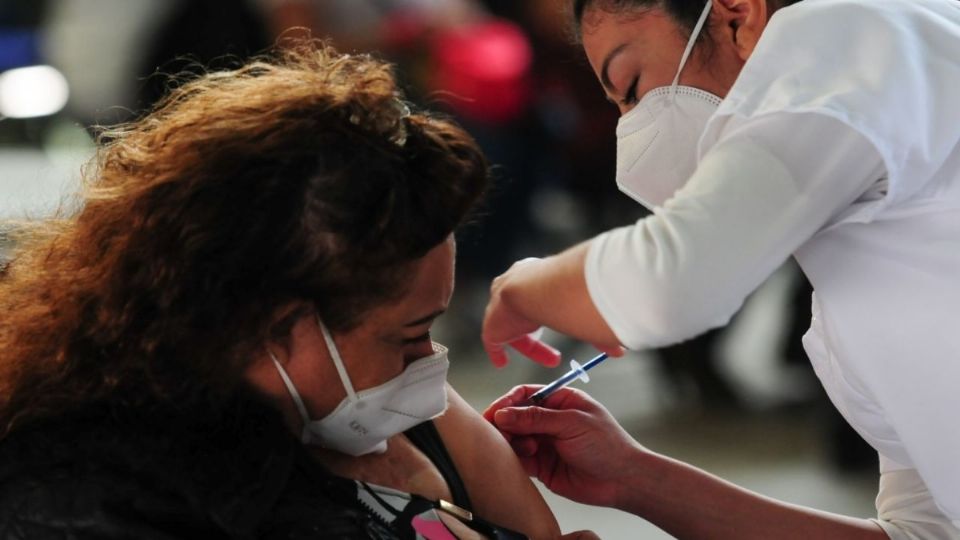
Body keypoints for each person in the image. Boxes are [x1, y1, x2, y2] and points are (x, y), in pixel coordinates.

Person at [0, 41, 578, 540]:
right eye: (408, 337)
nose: (430, 366)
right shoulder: (86, 493)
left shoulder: (368, 399)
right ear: (268, 325)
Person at [481, 0, 960, 538]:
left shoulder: (854, 35)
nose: (631, 134)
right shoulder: (846, 274)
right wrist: (635, 479)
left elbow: (671, 285)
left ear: (738, 15)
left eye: (632, 86)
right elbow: (925, 530)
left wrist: (524, 288)